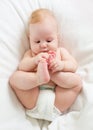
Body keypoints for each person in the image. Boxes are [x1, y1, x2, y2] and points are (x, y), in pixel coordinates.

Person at [9, 8, 82, 121]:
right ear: (29, 40)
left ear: (57, 37)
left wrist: (61, 65)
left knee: (77, 81)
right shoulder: (31, 54)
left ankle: (52, 75)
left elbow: (73, 66)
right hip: (33, 99)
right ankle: (38, 78)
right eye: (37, 41)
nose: (43, 45)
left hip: (58, 101)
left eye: (48, 40)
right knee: (15, 78)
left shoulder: (60, 52)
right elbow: (22, 66)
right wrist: (34, 61)